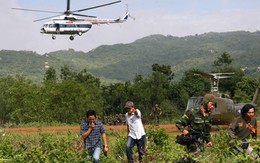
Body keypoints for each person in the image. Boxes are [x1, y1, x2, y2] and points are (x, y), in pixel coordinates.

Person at [175, 94, 215, 159]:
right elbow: (179, 123)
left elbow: (206, 132)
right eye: (211, 104)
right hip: (192, 147)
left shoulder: (208, 117)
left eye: (213, 105)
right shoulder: (193, 112)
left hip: (201, 148)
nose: (212, 107)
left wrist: (208, 141)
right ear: (206, 103)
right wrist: (184, 130)